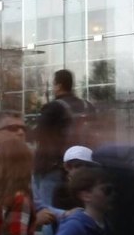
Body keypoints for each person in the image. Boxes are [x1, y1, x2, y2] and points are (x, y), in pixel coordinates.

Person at [33, 69, 95, 211]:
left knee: (49, 210)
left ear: (58, 85)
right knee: (82, 209)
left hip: (55, 167)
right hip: (85, 166)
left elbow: (39, 133)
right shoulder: (88, 106)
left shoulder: (54, 107)